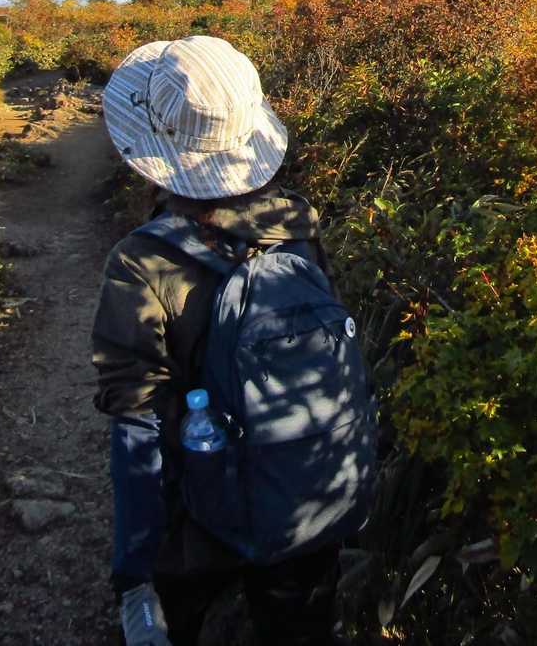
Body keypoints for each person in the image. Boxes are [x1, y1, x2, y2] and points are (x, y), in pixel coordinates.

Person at [91, 35, 342, 646]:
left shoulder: (142, 261)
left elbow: (137, 421)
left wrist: (134, 569)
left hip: (196, 515)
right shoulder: (298, 230)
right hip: (304, 494)